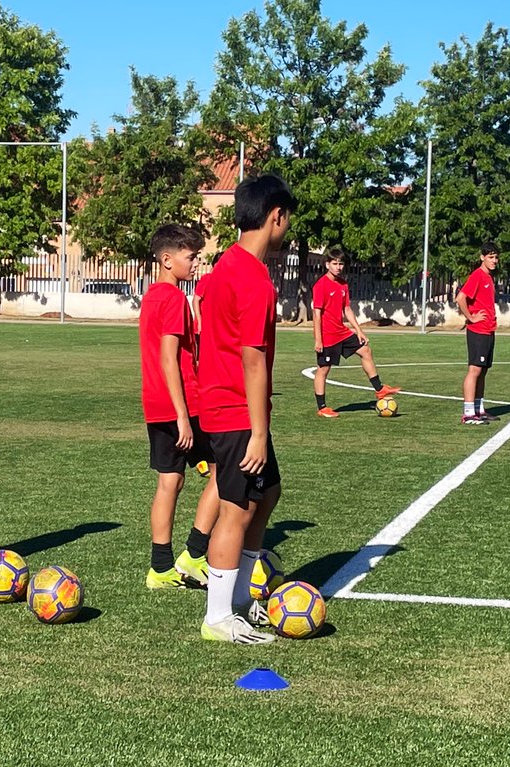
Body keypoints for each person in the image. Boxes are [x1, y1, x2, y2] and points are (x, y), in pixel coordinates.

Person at [197, 174, 297, 644]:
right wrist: (258, 430)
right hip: (237, 410)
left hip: (228, 405)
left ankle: (240, 599)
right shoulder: (253, 278)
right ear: (275, 216)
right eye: (287, 219)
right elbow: (253, 359)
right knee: (235, 510)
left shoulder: (223, 267)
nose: (288, 228)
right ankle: (219, 616)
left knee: (268, 492)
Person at [138, 224, 220, 589]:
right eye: (191, 257)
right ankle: (195, 553)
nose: (196, 263)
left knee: (169, 481)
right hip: (182, 404)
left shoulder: (151, 296)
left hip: (155, 404)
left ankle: (160, 568)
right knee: (226, 470)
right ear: (167, 259)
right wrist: (184, 418)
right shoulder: (172, 299)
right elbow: (170, 359)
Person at [311, 249, 400, 417]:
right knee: (323, 369)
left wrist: (359, 331)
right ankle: (322, 408)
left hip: (342, 332)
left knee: (365, 350)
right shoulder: (320, 285)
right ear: (327, 264)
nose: (338, 267)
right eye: (335, 263)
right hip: (328, 336)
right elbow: (316, 314)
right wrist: (318, 339)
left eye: (341, 264)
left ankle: (379, 389)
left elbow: (347, 309)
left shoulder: (343, 284)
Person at [457, 242, 500, 425]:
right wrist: (471, 317)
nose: (494, 260)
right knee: (474, 370)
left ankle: (479, 409)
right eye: (490, 257)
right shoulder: (478, 276)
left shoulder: (489, 277)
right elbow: (460, 298)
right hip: (478, 330)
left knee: (483, 371)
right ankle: (468, 413)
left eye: (496, 257)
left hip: (489, 329)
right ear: (482, 257)